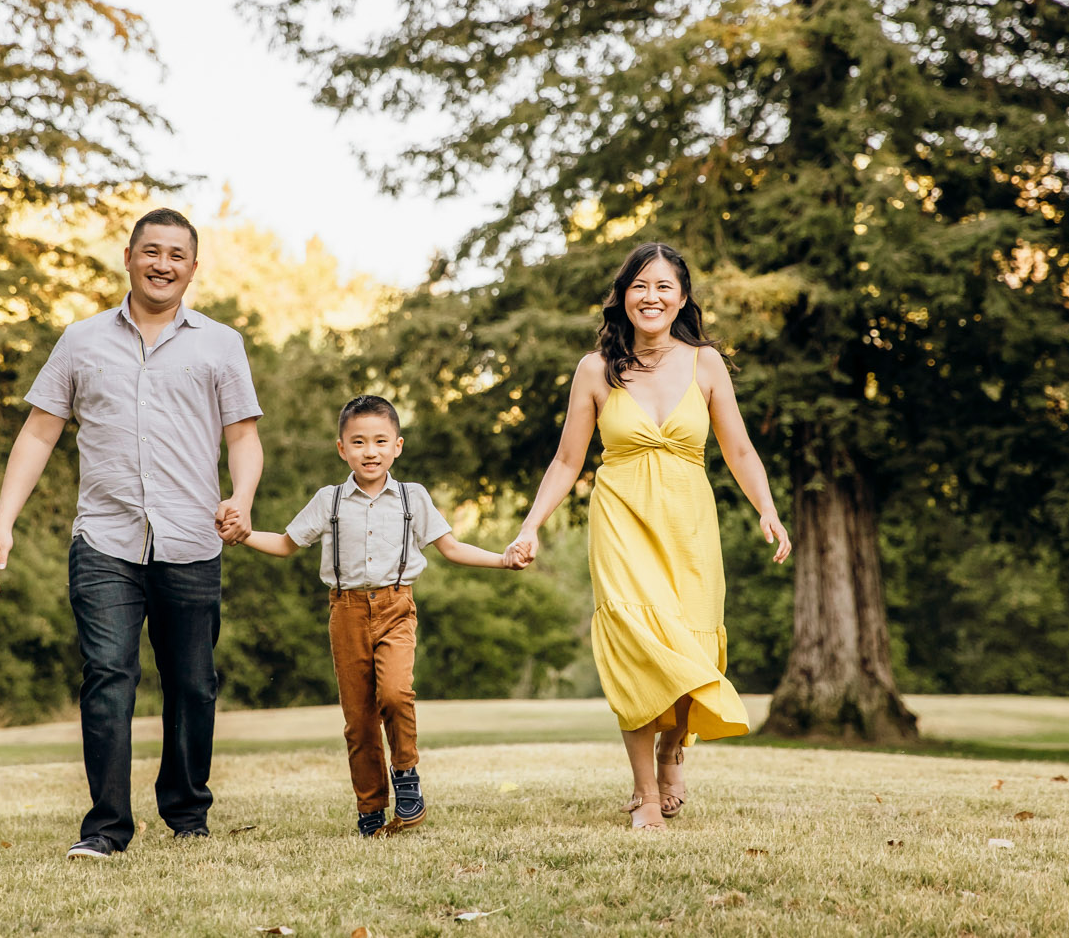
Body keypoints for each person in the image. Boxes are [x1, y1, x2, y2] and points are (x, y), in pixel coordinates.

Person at [0, 208, 263, 860]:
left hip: (192, 539)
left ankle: (187, 809)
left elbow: (243, 436)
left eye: (177, 254)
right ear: (129, 255)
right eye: (151, 251)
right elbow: (39, 432)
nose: (163, 264)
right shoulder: (80, 341)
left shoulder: (220, 344)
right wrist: (4, 520)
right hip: (105, 539)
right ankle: (106, 826)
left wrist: (240, 498)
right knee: (108, 673)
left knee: (192, 681)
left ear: (193, 267)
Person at [502, 242, 791, 830]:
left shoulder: (705, 363)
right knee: (637, 644)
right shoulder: (595, 370)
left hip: (689, 524)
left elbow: (737, 447)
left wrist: (767, 507)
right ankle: (645, 796)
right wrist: (531, 525)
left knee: (691, 644)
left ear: (681, 297)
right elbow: (565, 462)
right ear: (623, 297)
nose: (651, 296)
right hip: (621, 519)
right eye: (640, 285)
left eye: (663, 286)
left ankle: (671, 750)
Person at [240, 394, 520, 837]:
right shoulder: (328, 501)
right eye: (358, 442)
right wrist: (243, 533)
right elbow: (286, 543)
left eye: (379, 441)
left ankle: (406, 774)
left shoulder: (413, 498)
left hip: (396, 607)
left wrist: (502, 560)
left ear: (397, 446)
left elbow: (451, 548)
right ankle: (370, 810)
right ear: (341, 449)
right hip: (346, 611)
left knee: (395, 693)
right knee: (359, 720)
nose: (369, 451)